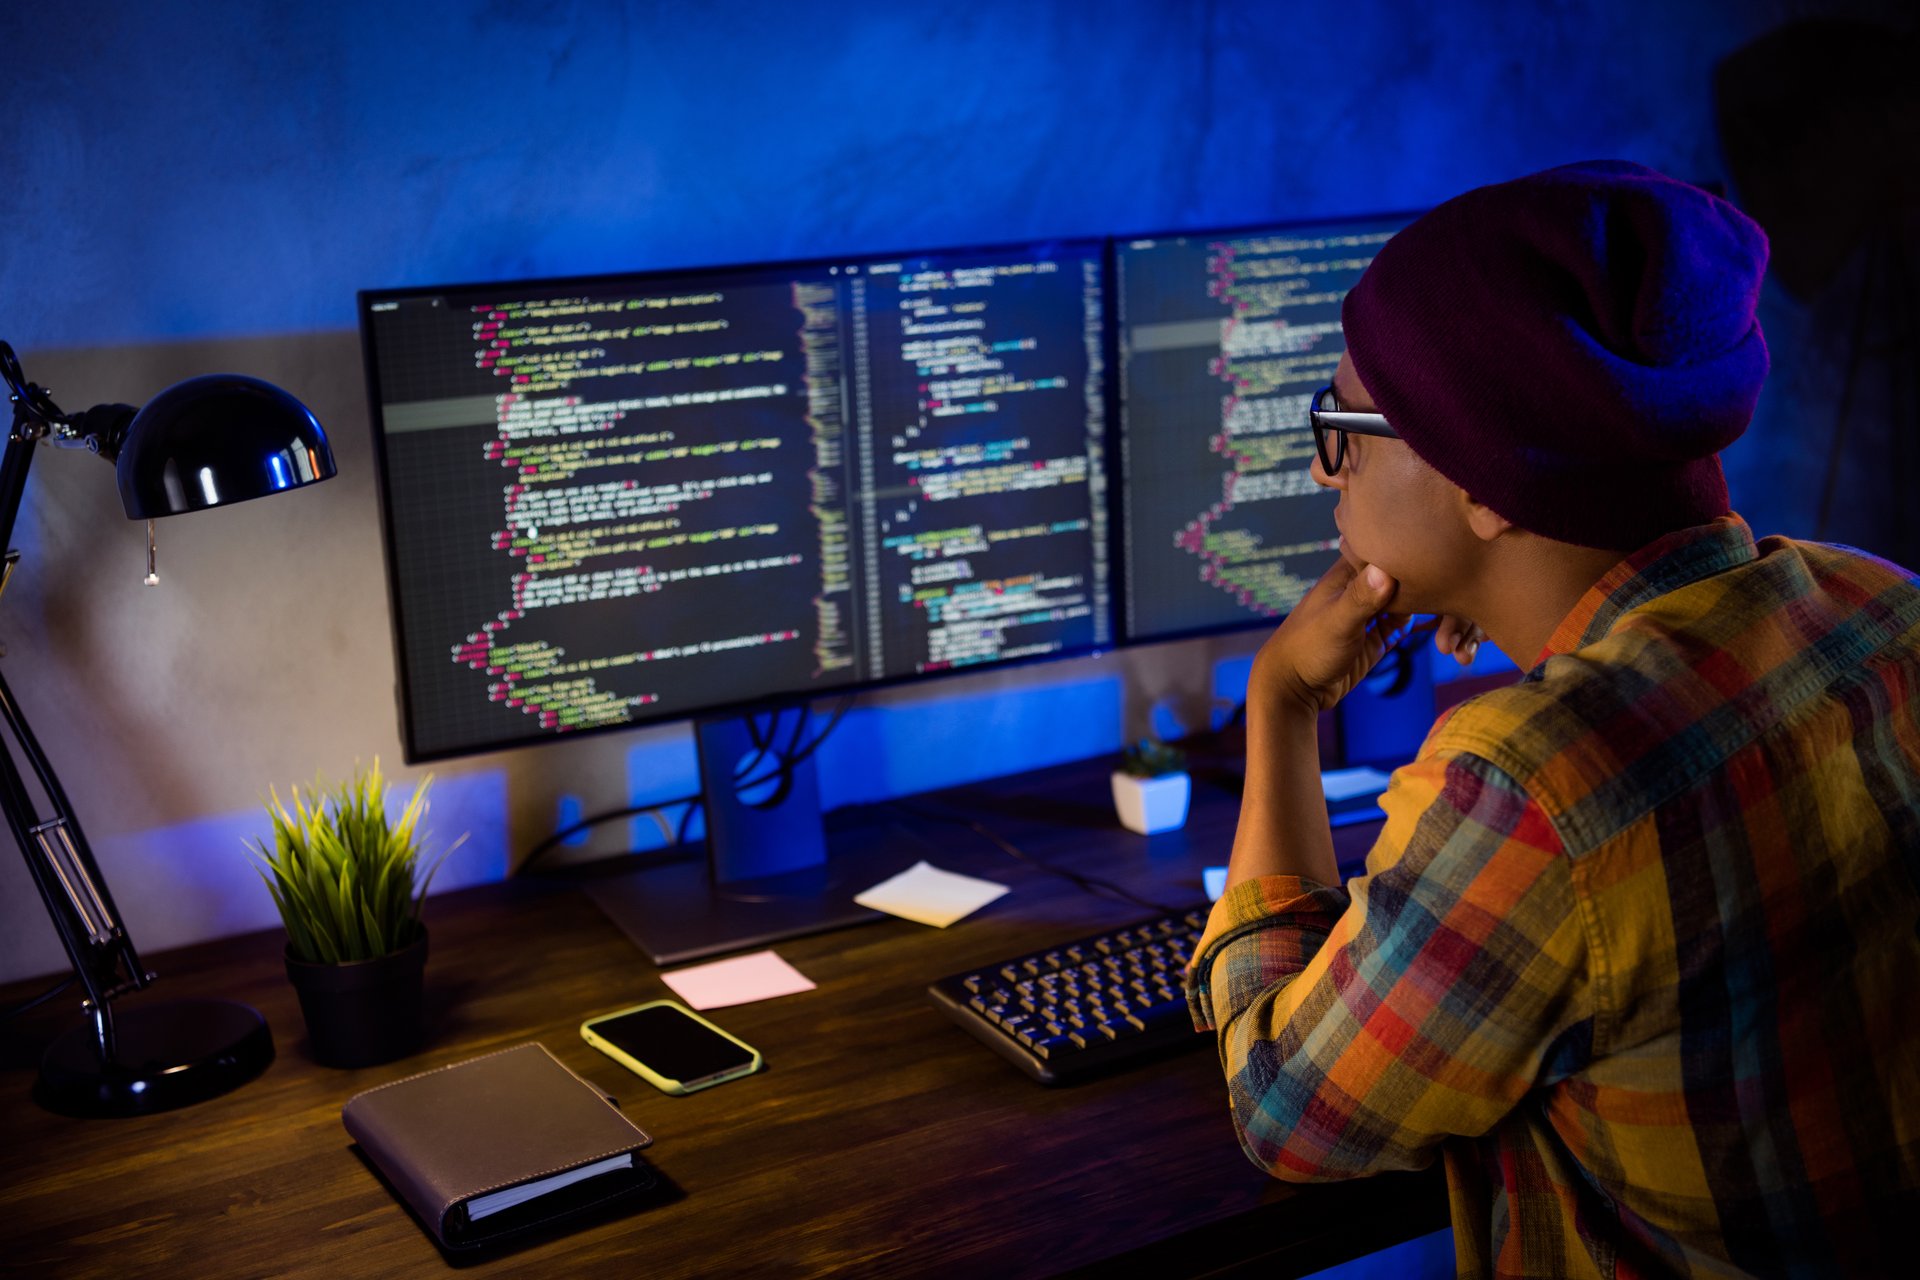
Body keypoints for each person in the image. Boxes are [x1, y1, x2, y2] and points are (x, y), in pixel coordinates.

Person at [1183, 160, 1920, 1278]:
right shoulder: (1881, 604)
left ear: (1484, 483)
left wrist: (1279, 706)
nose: (1328, 473)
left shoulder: (1537, 786)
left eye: (1342, 424)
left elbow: (1287, 1116)